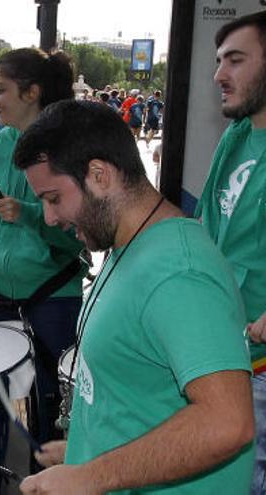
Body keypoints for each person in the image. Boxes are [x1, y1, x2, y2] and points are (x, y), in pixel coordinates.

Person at [15, 99, 254, 495]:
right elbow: (139, 393)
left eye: (53, 198)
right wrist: (85, 449)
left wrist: (91, 475)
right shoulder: (129, 242)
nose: (49, 218)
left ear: (99, 175)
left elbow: (227, 423)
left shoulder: (180, 273)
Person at [0, 48, 85, 447]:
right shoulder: (4, 141)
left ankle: (38, 477)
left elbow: (79, 235)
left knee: (48, 410)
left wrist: (29, 213)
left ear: (31, 92)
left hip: (51, 298)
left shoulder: (68, 147)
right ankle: (7, 473)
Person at [198, 11, 266, 493]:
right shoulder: (237, 135)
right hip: (226, 355)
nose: (219, 75)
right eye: (219, 61)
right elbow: (204, 230)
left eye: (235, 60)